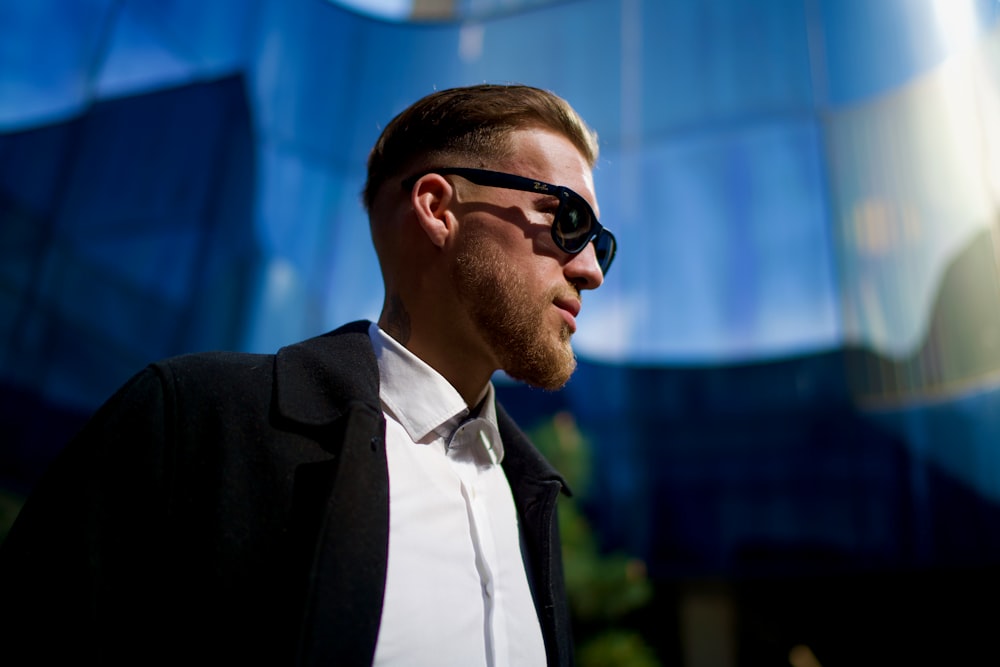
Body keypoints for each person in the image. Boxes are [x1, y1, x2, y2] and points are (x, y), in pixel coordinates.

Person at [0, 83, 616, 666]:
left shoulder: (529, 492)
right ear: (437, 208)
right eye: (566, 220)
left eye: (601, 243)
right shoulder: (195, 420)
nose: (591, 270)